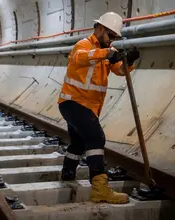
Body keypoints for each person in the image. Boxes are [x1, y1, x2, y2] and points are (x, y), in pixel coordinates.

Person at [58, 12, 140, 204]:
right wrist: (107, 53)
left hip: (86, 107)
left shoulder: (106, 50)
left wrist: (128, 61)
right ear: (100, 28)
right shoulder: (84, 46)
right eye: (110, 35)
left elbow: (119, 70)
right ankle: (100, 189)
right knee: (96, 138)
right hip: (74, 103)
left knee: (78, 144)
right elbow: (80, 58)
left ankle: (68, 173)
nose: (111, 40)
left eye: (114, 37)